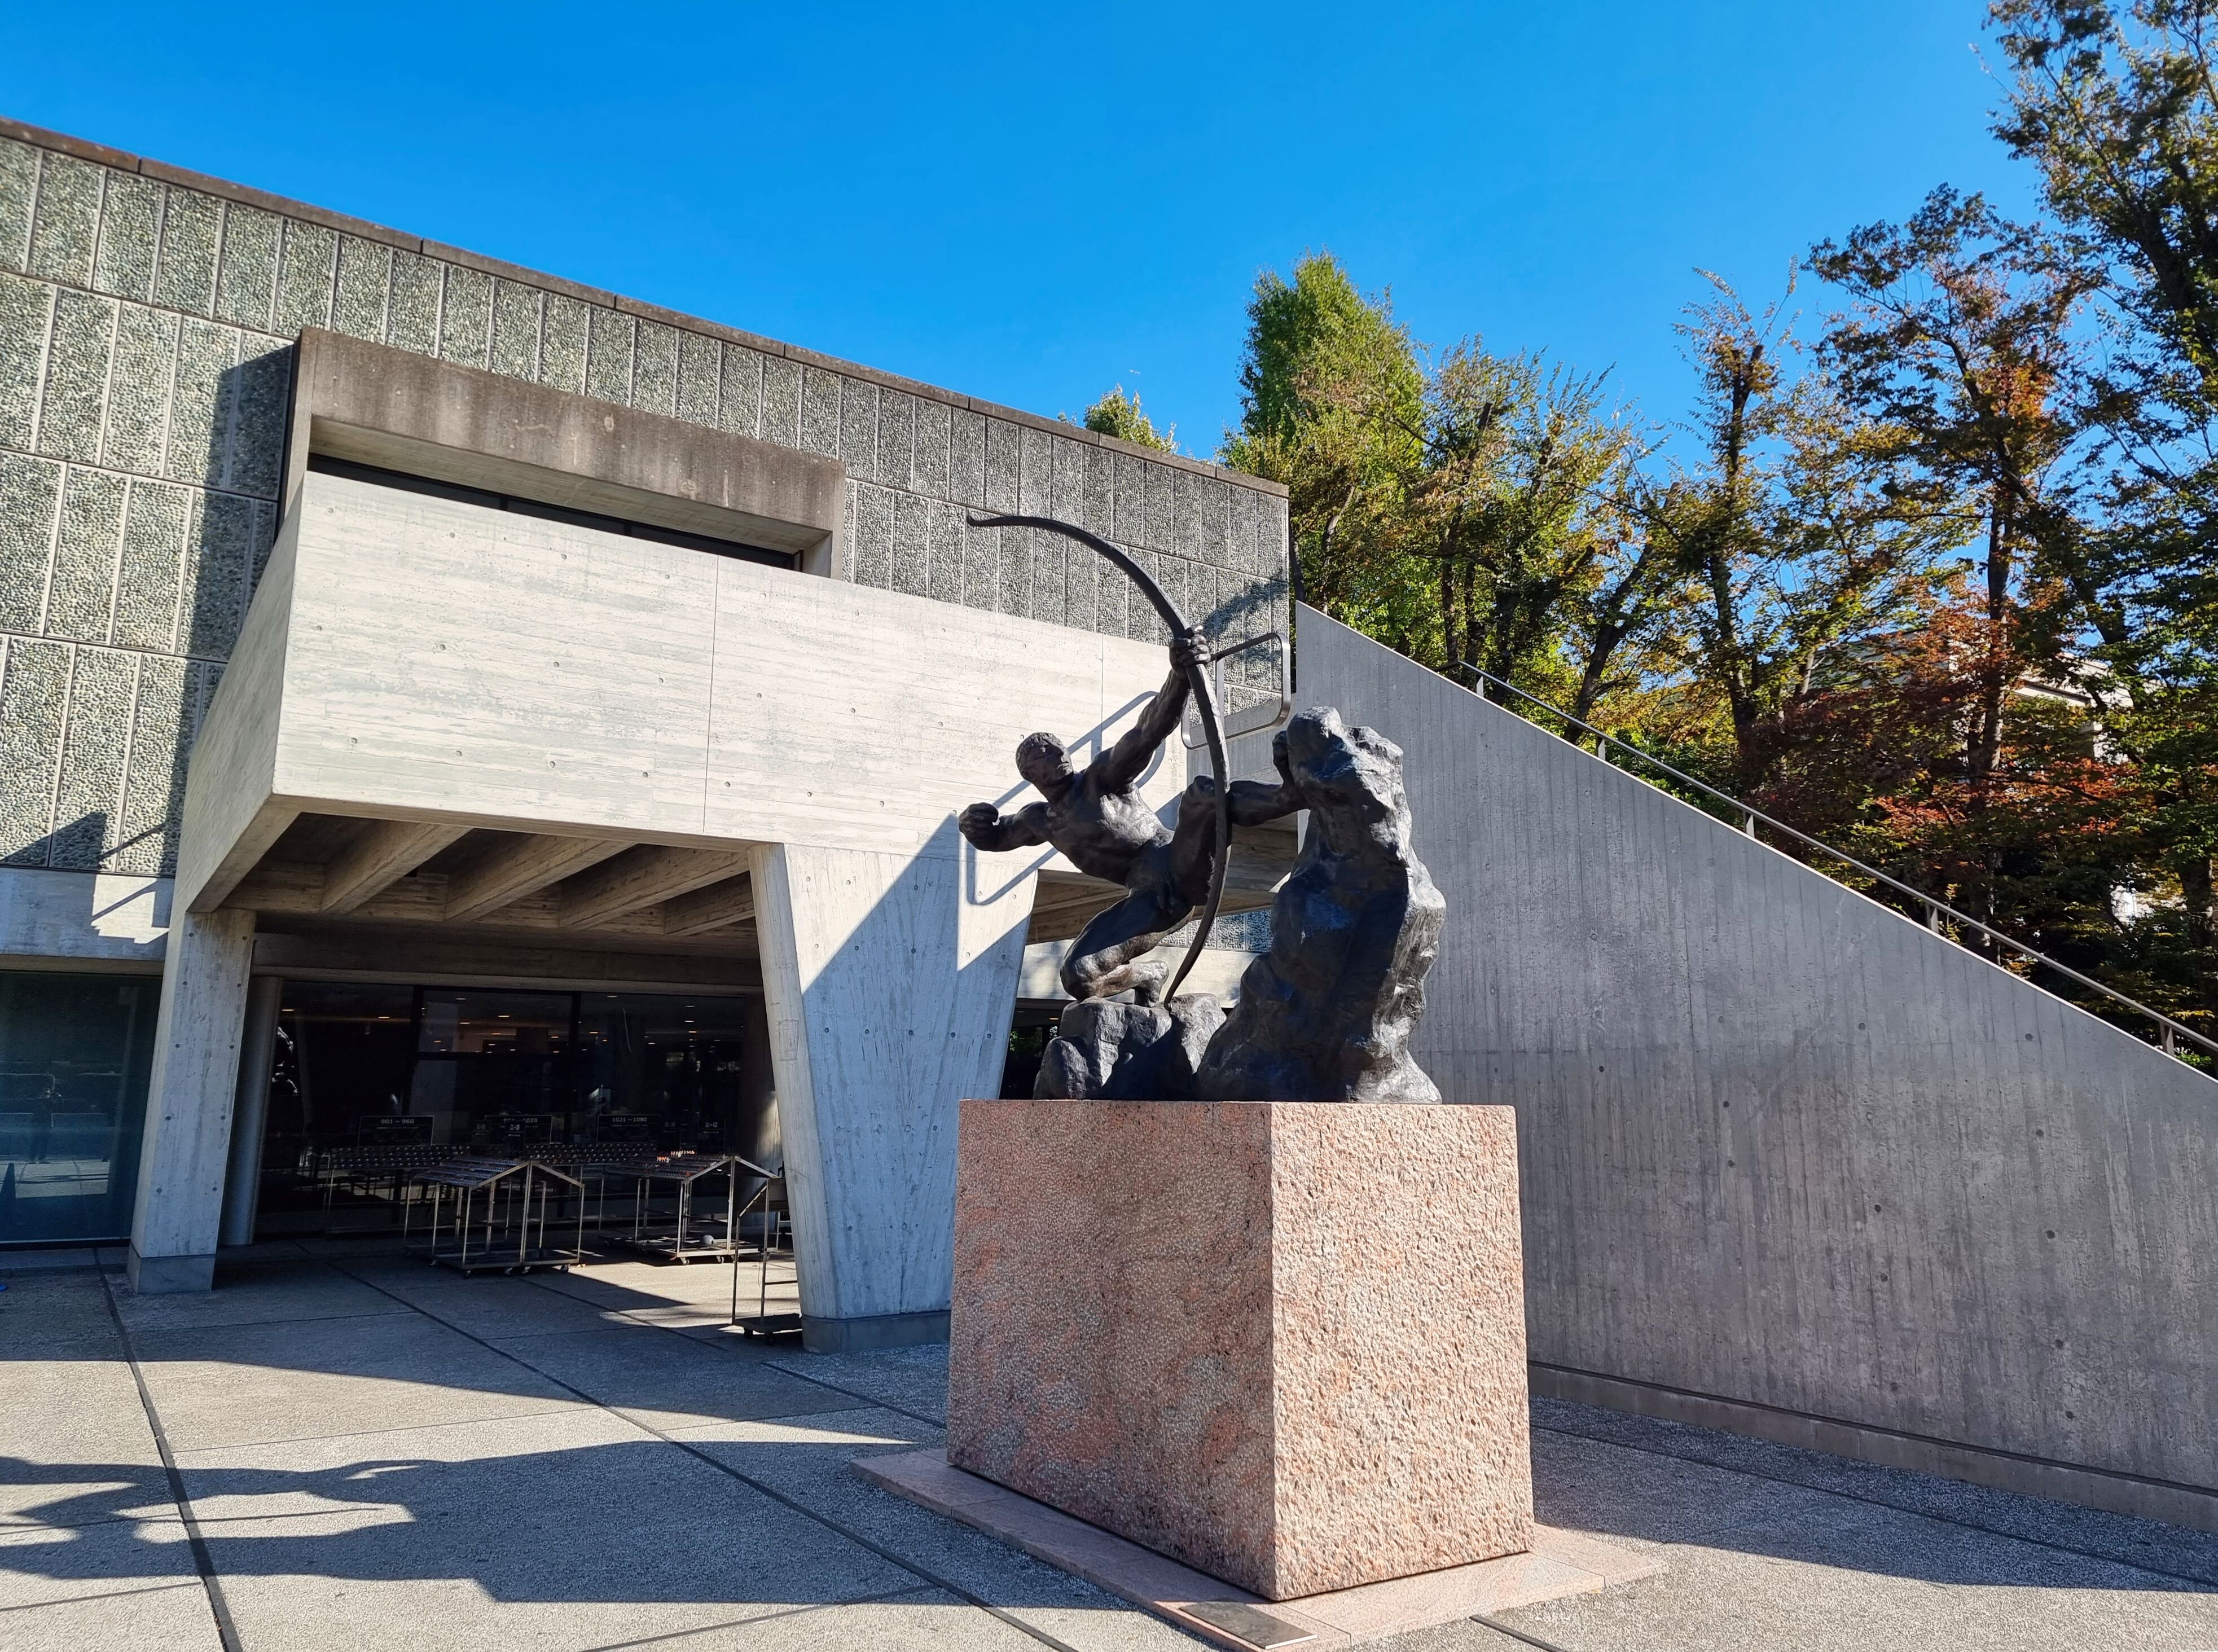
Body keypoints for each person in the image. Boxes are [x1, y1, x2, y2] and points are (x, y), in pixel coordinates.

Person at [960, 634, 1298, 1003]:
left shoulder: (1101, 779)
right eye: (1042, 752)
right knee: (1078, 977)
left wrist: (1180, 675)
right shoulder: (1039, 820)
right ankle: (1147, 975)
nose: (1056, 752)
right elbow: (998, 838)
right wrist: (973, 826)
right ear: (1030, 774)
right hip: (1150, 897)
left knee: (1202, 795)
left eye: (1057, 746)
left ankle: (1289, 795)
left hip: (1179, 862)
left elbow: (1149, 729)